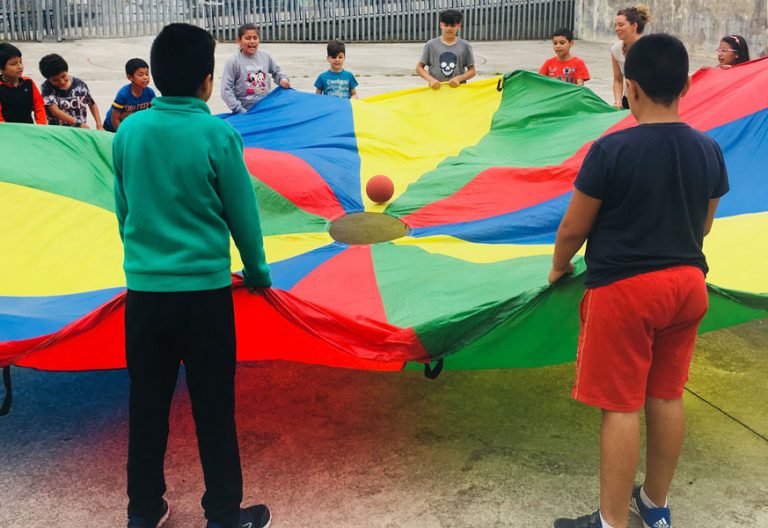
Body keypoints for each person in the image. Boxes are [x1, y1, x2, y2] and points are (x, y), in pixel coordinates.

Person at [550, 34, 729, 528]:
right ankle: (654, 505)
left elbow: (573, 229)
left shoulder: (611, 149)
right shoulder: (709, 149)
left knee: (621, 406)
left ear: (630, 88)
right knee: (667, 394)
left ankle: (611, 521)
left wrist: (558, 267)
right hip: (688, 286)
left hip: (626, 292)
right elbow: (704, 226)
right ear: (686, 86)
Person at [113, 23, 273, 528]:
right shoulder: (218, 134)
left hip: (145, 295)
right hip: (205, 298)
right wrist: (257, 272)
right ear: (207, 82)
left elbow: (124, 210)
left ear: (156, 76)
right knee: (213, 407)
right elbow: (243, 216)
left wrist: (145, 261)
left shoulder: (130, 131)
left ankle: (143, 511)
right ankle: (223, 514)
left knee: (147, 405)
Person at [221, 23, 290, 114]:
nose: (252, 41)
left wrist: (283, 80)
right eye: (248, 38)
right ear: (239, 41)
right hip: (245, 110)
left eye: (255, 38)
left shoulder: (265, 56)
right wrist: (240, 110)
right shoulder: (233, 61)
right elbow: (226, 90)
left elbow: (277, 73)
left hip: (265, 107)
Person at [38, 53, 103, 129]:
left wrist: (99, 125)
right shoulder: (47, 88)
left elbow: (92, 104)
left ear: (67, 71)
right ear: (48, 79)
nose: (62, 82)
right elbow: (55, 111)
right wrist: (78, 123)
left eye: (64, 76)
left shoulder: (80, 85)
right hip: (60, 131)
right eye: (55, 80)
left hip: (80, 129)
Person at [416, 9, 476, 89]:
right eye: (446, 25)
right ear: (441, 25)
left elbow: (472, 71)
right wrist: (431, 80)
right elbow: (419, 68)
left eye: (453, 25)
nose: (449, 28)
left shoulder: (465, 46)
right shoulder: (431, 45)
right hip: (436, 91)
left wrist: (459, 79)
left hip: (458, 91)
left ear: (459, 26)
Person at [610, 4, 651, 109]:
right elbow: (618, 80)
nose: (617, 28)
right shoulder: (616, 50)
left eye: (621, 25)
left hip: (651, 103)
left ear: (634, 26)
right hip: (628, 101)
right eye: (615, 25)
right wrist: (618, 101)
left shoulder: (651, 48)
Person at [103, 58, 156, 132]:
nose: (145, 77)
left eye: (147, 74)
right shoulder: (123, 95)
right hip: (113, 127)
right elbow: (114, 119)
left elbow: (153, 113)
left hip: (132, 125)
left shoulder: (150, 93)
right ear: (130, 77)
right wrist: (122, 135)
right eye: (140, 75)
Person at [0, 43, 46, 124]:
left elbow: (39, 106)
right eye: (13, 64)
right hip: (8, 130)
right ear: (1, 68)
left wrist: (41, 125)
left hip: (28, 128)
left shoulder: (28, 82)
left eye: (20, 62)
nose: (20, 66)